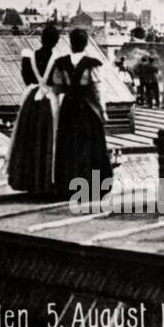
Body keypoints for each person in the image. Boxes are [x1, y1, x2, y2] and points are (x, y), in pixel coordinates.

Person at [48, 29, 112, 202]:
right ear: (85, 43)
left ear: (71, 42)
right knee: (91, 146)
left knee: (69, 145)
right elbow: (97, 90)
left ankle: (68, 185)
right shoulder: (93, 63)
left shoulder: (60, 63)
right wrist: (103, 112)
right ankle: (93, 187)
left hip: (69, 107)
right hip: (87, 108)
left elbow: (57, 87)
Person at [5, 24, 62, 196]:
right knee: (50, 139)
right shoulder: (58, 59)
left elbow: (27, 78)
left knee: (28, 139)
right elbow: (59, 82)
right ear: (56, 41)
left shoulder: (30, 57)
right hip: (50, 100)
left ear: (41, 39)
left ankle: (29, 180)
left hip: (32, 101)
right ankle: (48, 180)